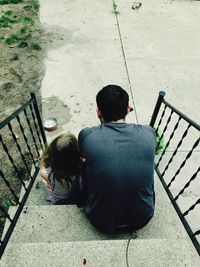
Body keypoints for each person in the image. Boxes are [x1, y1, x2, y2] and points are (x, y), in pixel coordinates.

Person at [78, 85, 156, 234]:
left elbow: (82, 155)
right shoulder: (148, 133)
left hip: (100, 221)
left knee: (86, 165)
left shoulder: (87, 135)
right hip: (142, 217)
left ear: (98, 112)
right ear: (128, 109)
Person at [40, 133, 82, 204]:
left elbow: (42, 173)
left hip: (59, 199)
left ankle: (50, 186)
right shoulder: (80, 167)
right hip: (76, 195)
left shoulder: (51, 172)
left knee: (46, 180)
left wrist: (42, 162)